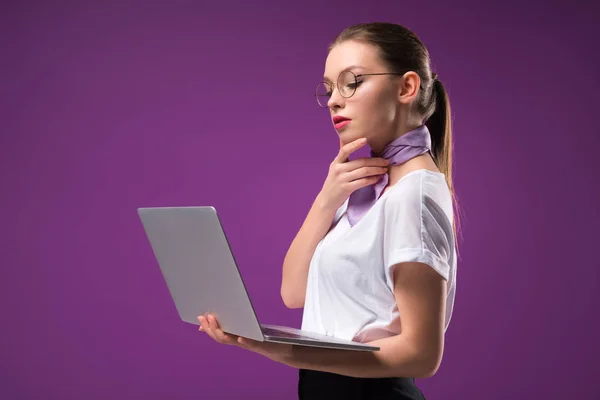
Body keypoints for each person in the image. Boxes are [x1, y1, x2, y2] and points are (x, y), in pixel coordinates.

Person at [197, 21, 459, 400]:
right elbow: (294, 292)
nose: (335, 100)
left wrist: (271, 348)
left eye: (351, 82)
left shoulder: (412, 196)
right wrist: (327, 198)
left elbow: (421, 354)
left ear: (407, 87)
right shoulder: (366, 190)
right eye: (329, 88)